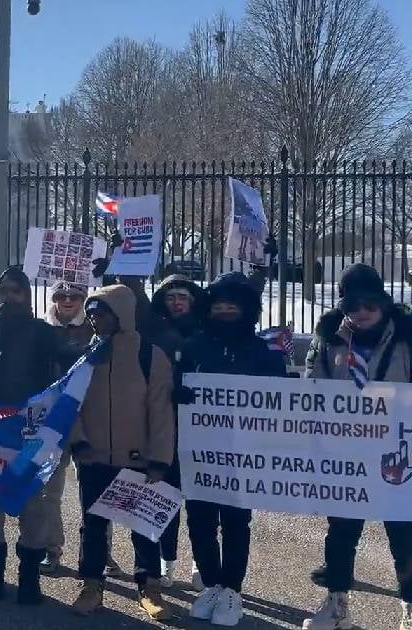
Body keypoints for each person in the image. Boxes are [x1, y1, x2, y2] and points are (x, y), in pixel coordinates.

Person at [0, 267, 75, 604]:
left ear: (27, 295)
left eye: (16, 291)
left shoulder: (41, 333)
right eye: (3, 290)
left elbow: (72, 356)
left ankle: (29, 577)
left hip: (30, 434)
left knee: (33, 504)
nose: (9, 296)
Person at [173, 273, 288, 627]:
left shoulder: (262, 352)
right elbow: (173, 382)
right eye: (219, 305)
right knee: (200, 519)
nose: (224, 311)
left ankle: (232, 589)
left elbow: (279, 399)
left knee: (237, 522)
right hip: (198, 452)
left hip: (243, 454)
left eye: (232, 306)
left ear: (246, 310)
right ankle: (211, 583)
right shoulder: (194, 345)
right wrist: (178, 390)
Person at [301, 264, 412, 630]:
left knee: (405, 534)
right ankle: (336, 603)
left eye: (369, 305)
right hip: (344, 454)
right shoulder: (329, 336)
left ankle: (410, 604)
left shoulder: (406, 336)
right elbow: (312, 386)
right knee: (342, 532)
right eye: (352, 306)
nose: (361, 313)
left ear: (383, 303)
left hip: (398, 453)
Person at [69, 284, 176, 621]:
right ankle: (91, 584)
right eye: (91, 314)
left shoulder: (150, 355)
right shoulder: (85, 356)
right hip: (94, 456)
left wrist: (159, 460)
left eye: (101, 313)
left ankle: (149, 587)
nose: (94, 319)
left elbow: (161, 412)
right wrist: (79, 441)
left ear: (122, 314)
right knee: (93, 523)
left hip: (137, 457)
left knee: (142, 525)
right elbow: (69, 404)